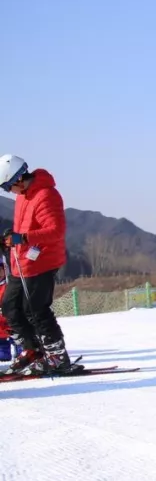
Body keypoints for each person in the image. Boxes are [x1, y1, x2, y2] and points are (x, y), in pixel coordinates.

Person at [0, 155, 78, 376]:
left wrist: (22, 238)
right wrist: (11, 237)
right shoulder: (23, 197)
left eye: (7, 187)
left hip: (41, 261)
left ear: (17, 179)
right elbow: (21, 228)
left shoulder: (46, 195)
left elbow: (55, 231)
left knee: (35, 309)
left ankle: (57, 357)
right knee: (9, 307)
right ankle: (32, 352)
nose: (8, 191)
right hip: (20, 262)